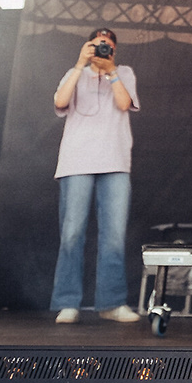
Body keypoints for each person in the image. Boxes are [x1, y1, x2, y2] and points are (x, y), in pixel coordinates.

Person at [49, 27, 142, 324]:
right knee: (72, 233)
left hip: (115, 161)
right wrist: (80, 64)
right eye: (97, 45)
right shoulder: (74, 72)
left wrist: (110, 71)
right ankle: (67, 303)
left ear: (114, 50)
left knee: (114, 236)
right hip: (76, 161)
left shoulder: (124, 72)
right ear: (87, 46)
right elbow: (60, 102)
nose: (102, 49)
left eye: (107, 46)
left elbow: (124, 103)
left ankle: (111, 303)